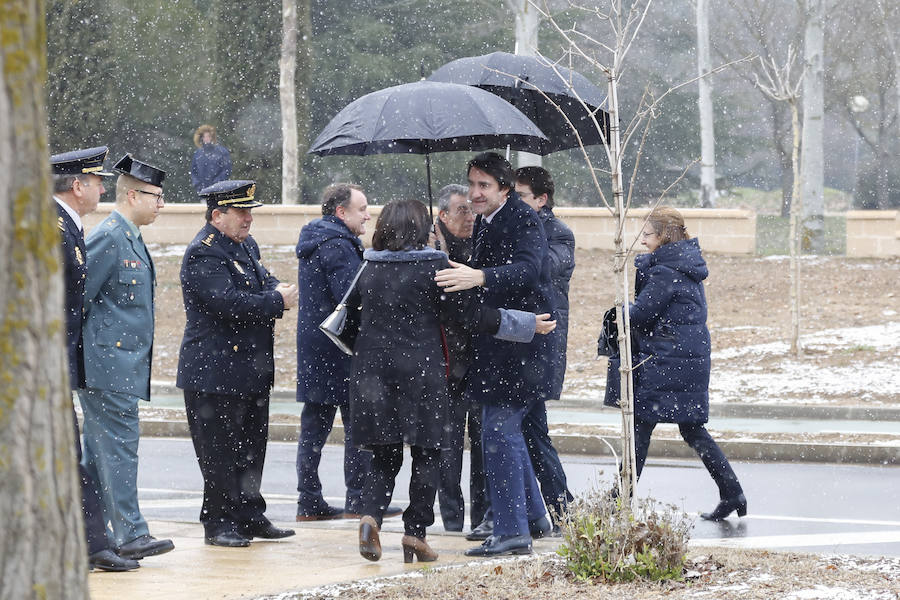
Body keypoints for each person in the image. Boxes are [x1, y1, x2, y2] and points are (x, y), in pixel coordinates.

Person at [349, 199, 555, 564]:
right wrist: (525, 324)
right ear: (418, 229)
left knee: (384, 454)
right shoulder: (433, 267)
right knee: (428, 453)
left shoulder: (367, 268)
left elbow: (349, 324)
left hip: (372, 377)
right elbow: (472, 316)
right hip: (423, 376)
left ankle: (370, 515)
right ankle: (415, 533)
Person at [435, 152, 556, 557]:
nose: (474, 193)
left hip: (520, 345)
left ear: (505, 187)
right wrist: (452, 258)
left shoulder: (524, 219)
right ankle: (535, 519)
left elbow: (528, 270)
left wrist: (479, 275)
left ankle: (510, 531)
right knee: (506, 432)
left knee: (498, 433)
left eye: (484, 185)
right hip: (499, 343)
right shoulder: (488, 223)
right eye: (471, 184)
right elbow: (483, 275)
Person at [604, 206, 746, 521]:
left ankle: (619, 500)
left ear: (664, 235)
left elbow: (641, 314)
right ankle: (731, 491)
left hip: (667, 360)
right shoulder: (682, 264)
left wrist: (617, 309)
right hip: (685, 359)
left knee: (640, 427)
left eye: (647, 235)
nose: (642, 241)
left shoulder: (665, 271)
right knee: (692, 430)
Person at [177, 179, 299, 547]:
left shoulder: (244, 246)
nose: (249, 219)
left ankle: (249, 513)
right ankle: (218, 522)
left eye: (250, 211)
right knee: (219, 453)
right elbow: (228, 304)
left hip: (248, 370)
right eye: (241, 212)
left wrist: (276, 289)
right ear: (217, 215)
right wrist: (277, 301)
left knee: (250, 447)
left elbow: (263, 280)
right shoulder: (205, 252)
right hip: (214, 372)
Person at [78, 153, 175, 561]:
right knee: (118, 450)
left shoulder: (129, 235)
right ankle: (130, 533)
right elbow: (77, 299)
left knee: (100, 455)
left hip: (120, 366)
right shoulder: (109, 237)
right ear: (132, 195)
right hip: (107, 367)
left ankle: (96, 536)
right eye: (156, 196)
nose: (161, 204)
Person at [51, 145, 139, 572]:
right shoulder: (51, 228)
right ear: (76, 185)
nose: (103, 188)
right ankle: (91, 543)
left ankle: (90, 543)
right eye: (97, 180)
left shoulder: (67, 227)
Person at [294, 183, 400, 521]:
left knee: (315, 427)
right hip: (339, 350)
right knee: (357, 428)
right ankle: (357, 500)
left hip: (318, 348)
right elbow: (352, 296)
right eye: (362, 208)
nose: (369, 214)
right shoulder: (337, 246)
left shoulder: (320, 239)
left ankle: (309, 500)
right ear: (341, 213)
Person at [514, 166, 575, 527]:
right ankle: (552, 506)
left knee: (532, 430)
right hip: (516, 340)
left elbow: (538, 270)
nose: (516, 203)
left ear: (541, 199)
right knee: (528, 429)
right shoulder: (520, 229)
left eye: (521, 197)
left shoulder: (558, 234)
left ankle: (556, 506)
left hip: (541, 345)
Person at [431, 184, 487, 533]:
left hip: (480, 360)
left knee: (482, 448)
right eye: (461, 210)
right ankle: (452, 519)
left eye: (471, 209)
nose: (469, 216)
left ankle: (481, 518)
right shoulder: (433, 252)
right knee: (448, 449)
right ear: (442, 215)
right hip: (447, 364)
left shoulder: (484, 244)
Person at [190, 124, 232, 193]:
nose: (206, 139)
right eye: (204, 137)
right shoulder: (198, 154)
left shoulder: (222, 152)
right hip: (203, 191)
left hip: (219, 190)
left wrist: (217, 183)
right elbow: (194, 172)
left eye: (208, 136)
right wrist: (198, 185)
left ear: (212, 137)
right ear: (201, 138)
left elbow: (226, 170)